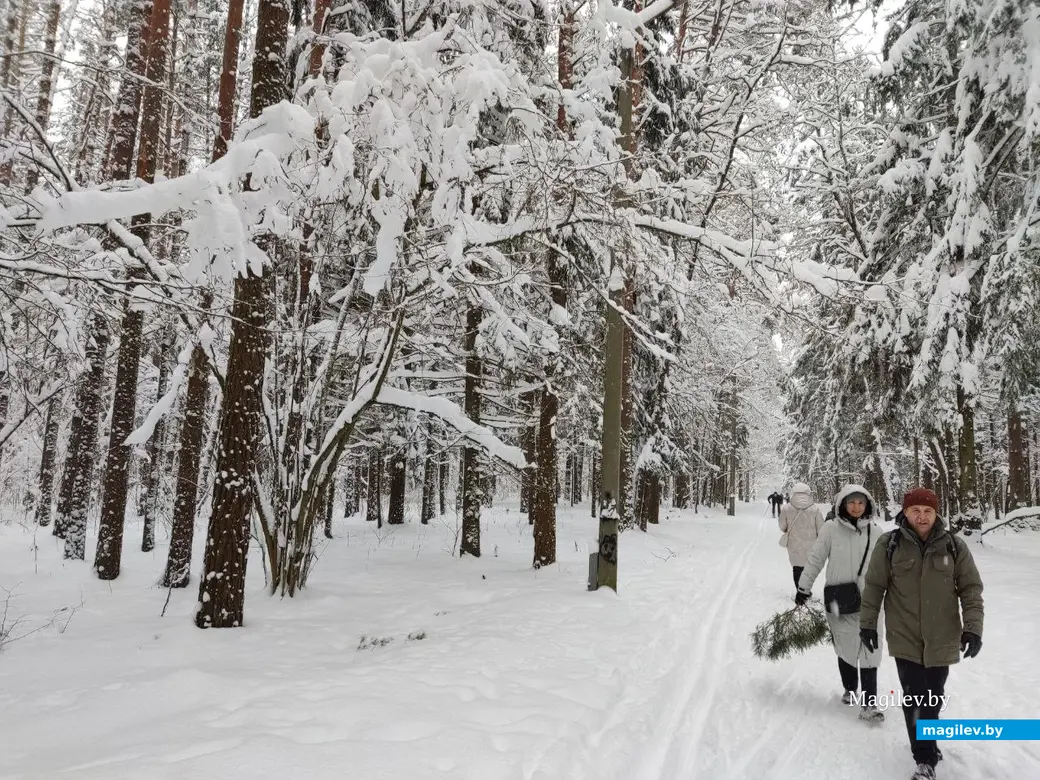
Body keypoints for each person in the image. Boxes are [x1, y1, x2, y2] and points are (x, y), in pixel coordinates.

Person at [860, 488, 984, 780]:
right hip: (905, 635)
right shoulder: (889, 544)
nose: (922, 516)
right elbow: (874, 586)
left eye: (928, 511)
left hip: (943, 636)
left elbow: (970, 589)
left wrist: (973, 628)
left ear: (936, 513)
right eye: (915, 510)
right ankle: (925, 759)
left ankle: (928, 743)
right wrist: (867, 624)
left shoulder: (954, 546)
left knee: (933, 696)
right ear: (905, 512)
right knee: (915, 696)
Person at [795, 485, 883, 722]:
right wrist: (804, 587)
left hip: (871, 601)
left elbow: (887, 568)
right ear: (843, 503)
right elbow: (816, 558)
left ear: (868, 505)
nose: (856, 507)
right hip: (840, 599)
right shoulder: (831, 529)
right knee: (845, 648)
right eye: (851, 502)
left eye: (861, 503)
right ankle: (850, 688)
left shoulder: (876, 532)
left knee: (871, 650)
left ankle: (870, 704)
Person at [778, 483, 823, 587]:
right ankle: (805, 590)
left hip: (794, 542)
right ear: (808, 492)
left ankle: (799, 590)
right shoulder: (815, 509)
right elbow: (821, 529)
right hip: (811, 543)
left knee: (797, 567)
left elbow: (782, 525)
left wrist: (787, 530)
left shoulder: (787, 508)